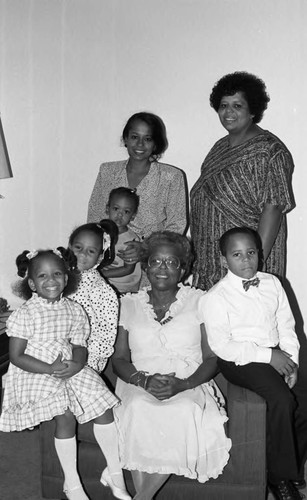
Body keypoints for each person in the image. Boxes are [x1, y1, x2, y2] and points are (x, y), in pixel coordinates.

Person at [0, 248, 131, 500]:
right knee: (65, 413)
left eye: (57, 274)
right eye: (43, 276)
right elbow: (17, 357)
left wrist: (78, 363)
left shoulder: (73, 309)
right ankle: (73, 485)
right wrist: (49, 369)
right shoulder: (24, 314)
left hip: (70, 367)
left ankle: (115, 474)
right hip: (36, 371)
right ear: (32, 283)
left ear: (66, 278)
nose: (51, 281)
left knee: (103, 407)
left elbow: (80, 344)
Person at [112, 231, 231, 500]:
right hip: (138, 380)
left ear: (183, 269)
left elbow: (212, 358)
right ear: (145, 266)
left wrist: (184, 384)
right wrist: (142, 380)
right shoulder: (128, 304)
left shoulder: (201, 301)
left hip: (189, 380)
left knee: (183, 409)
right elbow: (119, 359)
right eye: (155, 261)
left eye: (172, 262)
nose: (162, 268)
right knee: (137, 407)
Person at [199, 227, 306, 500]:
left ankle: (291, 461)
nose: (246, 260)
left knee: (304, 398)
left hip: (277, 351)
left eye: (251, 253)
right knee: (282, 399)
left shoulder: (272, 283)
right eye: (237, 254)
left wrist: (291, 361)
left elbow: (287, 324)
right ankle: (281, 477)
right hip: (240, 359)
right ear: (224, 260)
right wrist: (271, 357)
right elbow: (222, 346)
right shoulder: (214, 298)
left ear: (259, 254)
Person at [190, 71, 295, 291]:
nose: (228, 112)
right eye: (223, 105)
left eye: (237, 106)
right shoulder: (219, 148)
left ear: (252, 110)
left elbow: (273, 208)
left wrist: (253, 268)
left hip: (246, 268)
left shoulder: (269, 150)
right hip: (211, 263)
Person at [87, 111, 188, 266]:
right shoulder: (108, 171)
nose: (140, 144)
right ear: (126, 138)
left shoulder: (171, 177)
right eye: (134, 137)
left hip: (152, 262)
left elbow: (177, 224)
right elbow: (95, 216)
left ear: (155, 144)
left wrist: (146, 248)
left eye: (147, 139)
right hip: (109, 260)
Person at [68, 219, 120, 373]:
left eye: (91, 251)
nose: (83, 253)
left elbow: (106, 333)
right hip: (51, 354)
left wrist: (88, 363)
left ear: (99, 257)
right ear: (69, 247)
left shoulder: (102, 290)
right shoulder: (58, 278)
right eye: (78, 247)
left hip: (85, 361)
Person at [102, 187, 142, 294]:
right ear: (107, 209)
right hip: (102, 283)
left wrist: (102, 274)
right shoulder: (99, 233)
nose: (120, 215)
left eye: (126, 211)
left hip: (123, 289)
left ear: (133, 216)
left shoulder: (130, 240)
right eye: (116, 209)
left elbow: (128, 269)